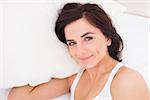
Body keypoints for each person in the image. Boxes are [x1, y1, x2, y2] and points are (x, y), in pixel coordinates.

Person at [8, 3, 149, 100]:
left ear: (108, 38)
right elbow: (19, 97)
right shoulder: (74, 78)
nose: (80, 50)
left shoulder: (126, 80)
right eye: (72, 43)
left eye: (88, 38)